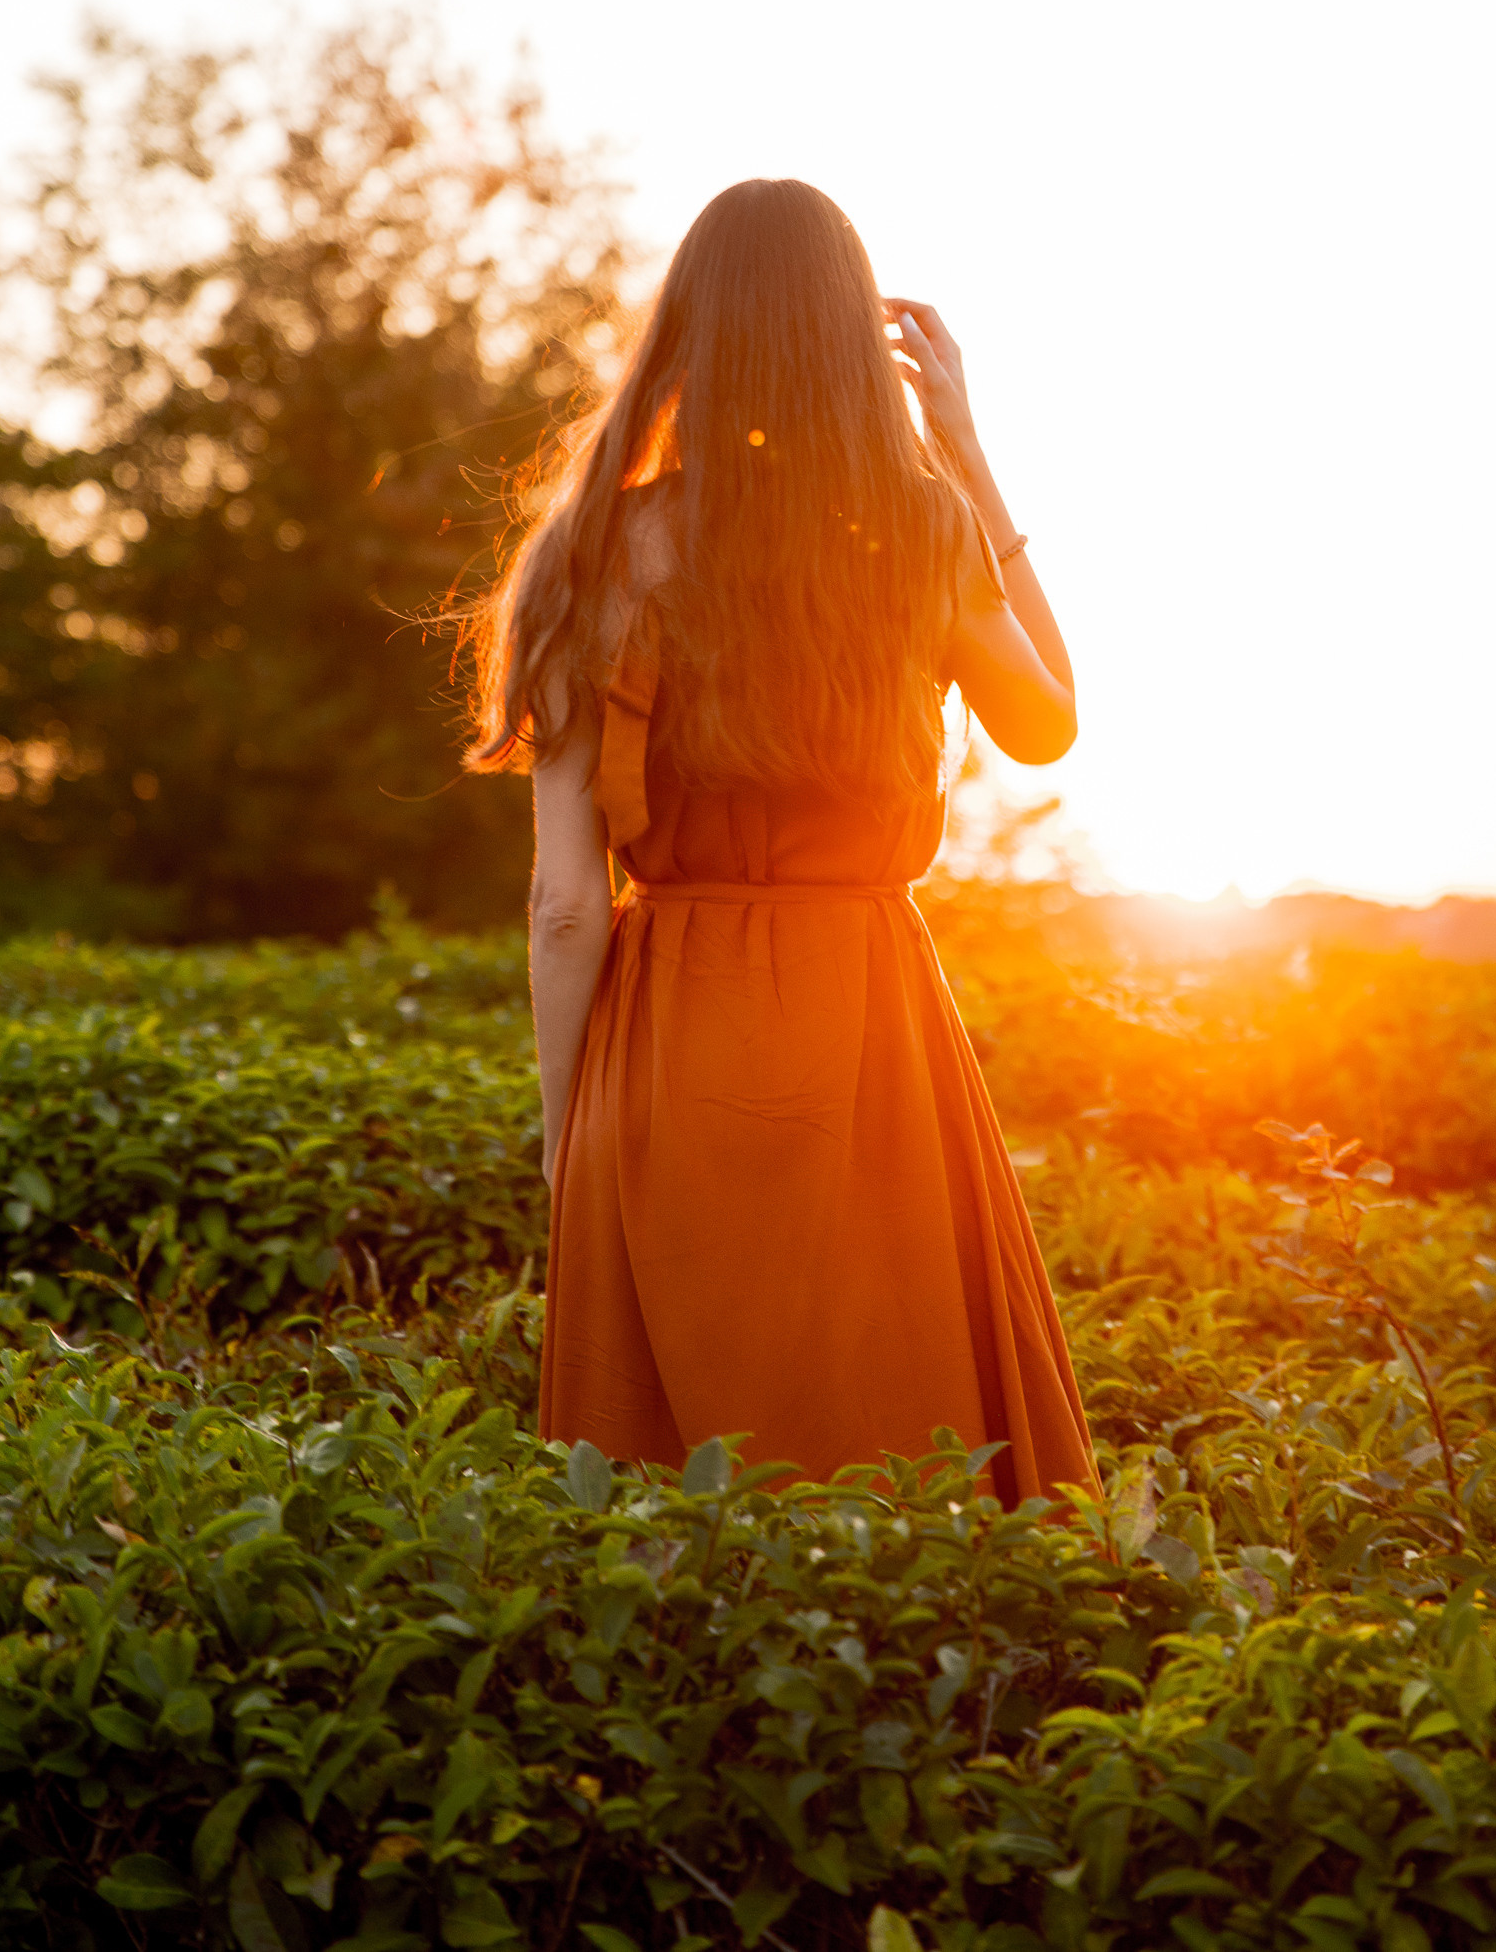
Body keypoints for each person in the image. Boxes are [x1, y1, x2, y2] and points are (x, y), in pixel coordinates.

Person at [466, 178, 1096, 1502]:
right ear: (843, 343)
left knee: (664, 1493)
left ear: (685, 333)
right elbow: (1046, 724)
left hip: (668, 1034)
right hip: (873, 1025)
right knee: (899, 1446)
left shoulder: (590, 552)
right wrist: (969, 459)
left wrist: (568, 1128)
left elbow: (565, 903)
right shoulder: (920, 533)